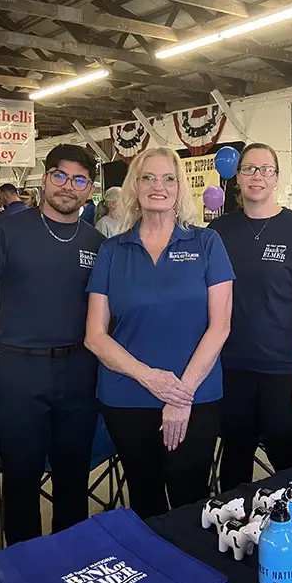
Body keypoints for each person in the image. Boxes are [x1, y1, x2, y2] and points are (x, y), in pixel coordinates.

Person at [0, 144, 104, 545]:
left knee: (73, 478)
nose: (67, 186)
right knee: (21, 478)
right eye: (60, 175)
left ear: (89, 190)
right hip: (20, 373)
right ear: (44, 179)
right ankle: (23, 572)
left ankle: (70, 563)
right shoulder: (7, 229)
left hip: (78, 372)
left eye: (79, 179)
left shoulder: (96, 241)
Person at [85, 147, 234, 520]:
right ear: (134, 186)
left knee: (190, 499)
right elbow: (95, 336)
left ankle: (197, 578)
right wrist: (151, 378)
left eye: (169, 178)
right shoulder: (112, 251)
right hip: (128, 397)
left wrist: (180, 395)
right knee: (145, 497)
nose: (158, 186)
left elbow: (221, 326)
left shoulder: (206, 244)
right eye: (148, 177)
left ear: (180, 187)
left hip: (195, 395)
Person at [208, 143, 292, 491]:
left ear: (277, 177)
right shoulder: (218, 233)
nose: (257, 176)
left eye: (265, 169)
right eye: (248, 169)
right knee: (234, 462)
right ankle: (230, 532)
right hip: (230, 368)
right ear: (236, 177)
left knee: (288, 462)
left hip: (282, 371)